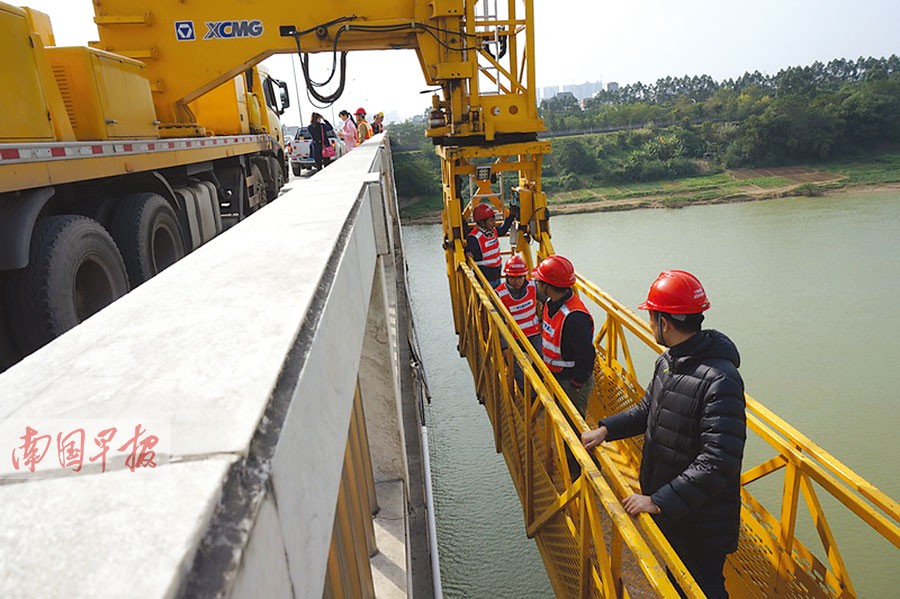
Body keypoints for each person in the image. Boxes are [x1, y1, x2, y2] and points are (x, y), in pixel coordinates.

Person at [581, 270, 746, 599]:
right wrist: (605, 429)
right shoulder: (669, 362)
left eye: (651, 317)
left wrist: (658, 501)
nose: (649, 323)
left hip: (702, 522)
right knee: (677, 584)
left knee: (704, 588)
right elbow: (647, 411)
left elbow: (719, 461)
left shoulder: (720, 380)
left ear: (664, 323)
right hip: (674, 512)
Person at [531, 254, 595, 416]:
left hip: (571, 381)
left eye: (539, 281)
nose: (536, 283)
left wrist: (576, 383)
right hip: (554, 374)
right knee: (560, 417)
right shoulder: (550, 303)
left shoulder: (575, 317)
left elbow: (586, 356)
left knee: (573, 425)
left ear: (547, 287)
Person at [465, 203, 514, 288]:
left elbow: (502, 230)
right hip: (484, 281)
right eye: (491, 220)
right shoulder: (474, 238)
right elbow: (469, 254)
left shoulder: (493, 231)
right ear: (482, 222)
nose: (494, 223)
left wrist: (511, 216)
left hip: (496, 277)